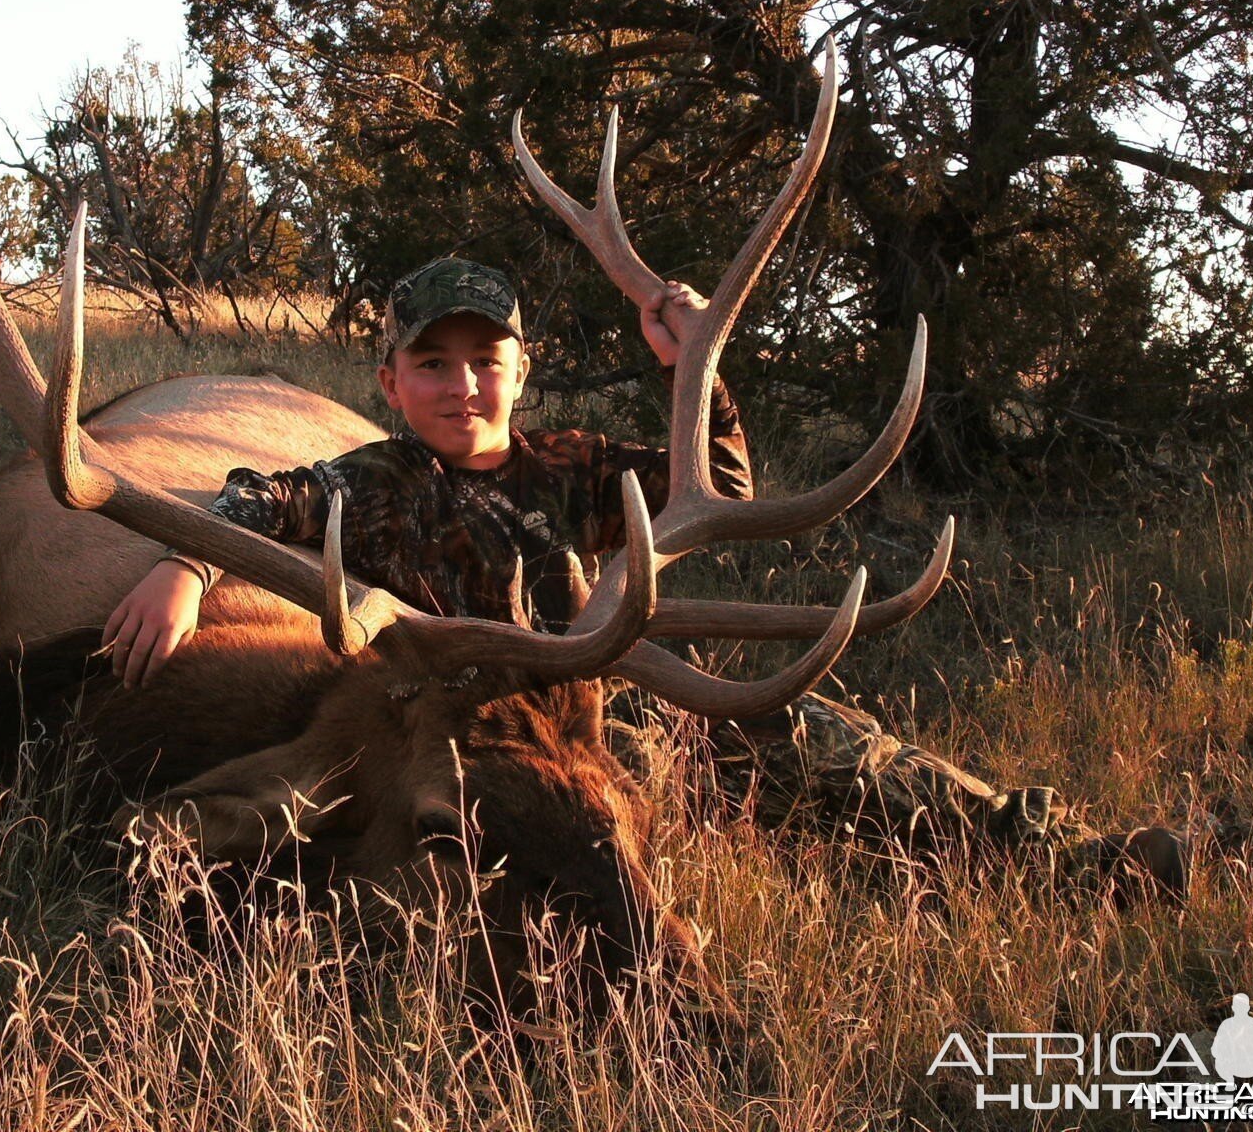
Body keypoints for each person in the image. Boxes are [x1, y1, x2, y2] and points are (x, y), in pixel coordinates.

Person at [103, 257, 1189, 897]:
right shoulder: (367, 482)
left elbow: (712, 484)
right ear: (390, 380)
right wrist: (185, 567)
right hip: (460, 744)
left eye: (487, 362)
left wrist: (692, 372)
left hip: (593, 710)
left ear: (520, 373)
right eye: (433, 364)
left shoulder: (572, 465)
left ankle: (1056, 852)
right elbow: (250, 501)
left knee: (802, 735)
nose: (462, 384)